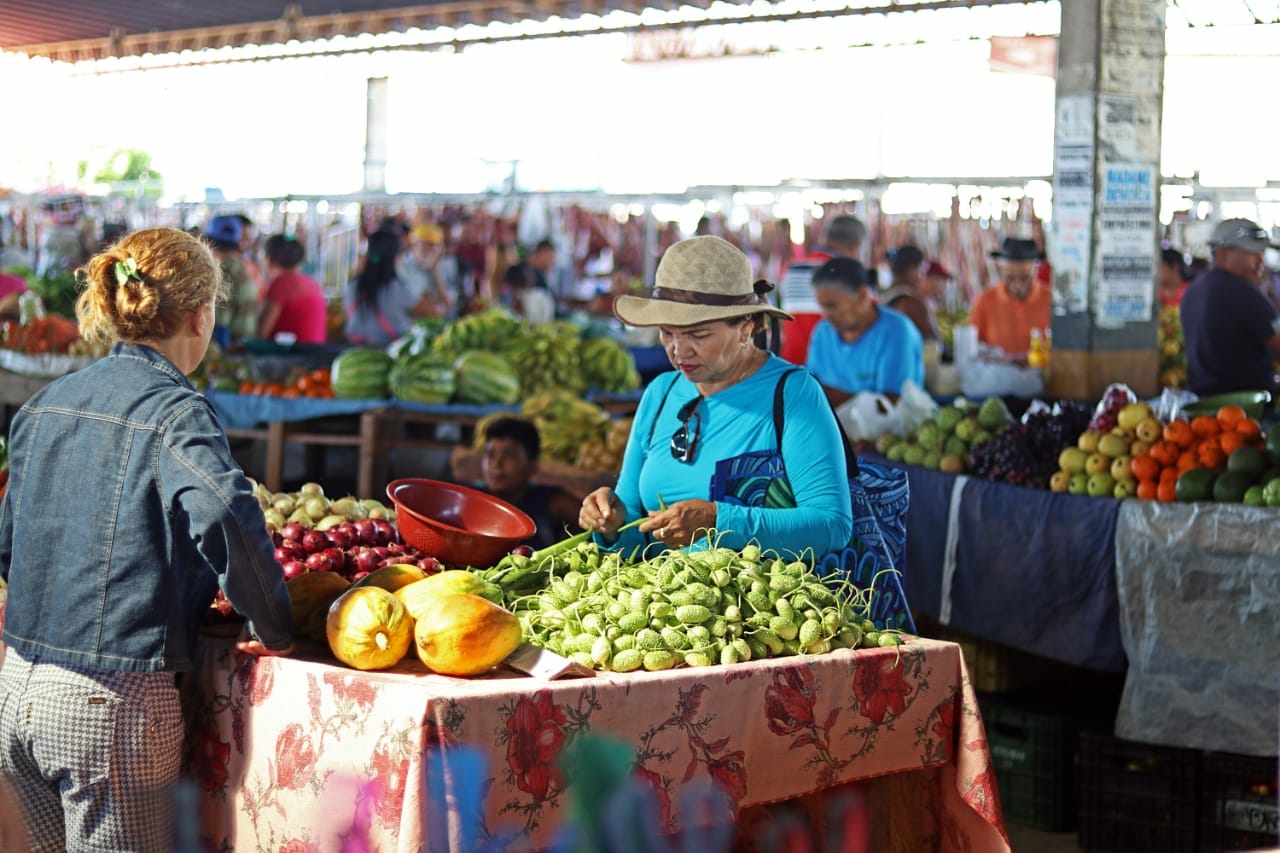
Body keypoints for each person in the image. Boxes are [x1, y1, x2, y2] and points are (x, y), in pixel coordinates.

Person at [0, 227, 294, 852]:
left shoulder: (45, 404)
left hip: (17, 686)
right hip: (108, 704)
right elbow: (224, 516)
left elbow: (9, 544)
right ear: (201, 313)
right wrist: (276, 626)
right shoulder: (176, 410)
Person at [578, 235, 852, 556]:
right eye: (667, 333)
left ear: (746, 327)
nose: (679, 351)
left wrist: (719, 521)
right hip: (664, 600)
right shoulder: (660, 393)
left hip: (752, 602)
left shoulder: (793, 392)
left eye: (698, 334)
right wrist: (610, 523)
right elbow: (634, 532)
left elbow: (832, 526)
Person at [1181, 217, 1280, 397]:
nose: (1260, 262)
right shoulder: (1242, 291)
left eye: (1262, 254)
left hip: (1202, 403)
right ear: (1223, 253)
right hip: (1244, 410)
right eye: (1252, 253)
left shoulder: (1195, 288)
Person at [805, 256, 924, 403]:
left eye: (832, 306)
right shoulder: (822, 332)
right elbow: (809, 387)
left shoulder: (897, 332)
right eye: (822, 307)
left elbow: (891, 404)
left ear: (862, 296)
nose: (826, 315)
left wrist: (827, 397)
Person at [778, 213, 868, 365]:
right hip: (831, 370)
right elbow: (868, 322)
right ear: (855, 246)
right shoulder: (849, 273)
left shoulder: (792, 270)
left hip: (791, 365)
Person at [481, 417, 580, 551]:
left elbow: (593, 523)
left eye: (508, 455)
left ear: (532, 466)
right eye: (491, 455)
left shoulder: (552, 501)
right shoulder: (473, 502)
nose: (497, 464)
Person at [344, 228, 440, 346]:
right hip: (387, 356)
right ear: (396, 257)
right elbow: (435, 312)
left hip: (352, 352)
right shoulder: (398, 289)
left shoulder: (352, 286)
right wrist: (435, 272)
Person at [968, 236, 1052, 361]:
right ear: (1001, 270)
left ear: (1036, 269)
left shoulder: (1051, 300)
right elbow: (972, 347)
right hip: (998, 376)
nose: (1018, 284)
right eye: (1011, 278)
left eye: (1024, 278)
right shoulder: (985, 300)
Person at [259, 233, 328, 343]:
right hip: (315, 353)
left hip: (290, 355)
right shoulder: (312, 283)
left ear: (269, 259)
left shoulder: (280, 284)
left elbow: (261, 333)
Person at [206, 214, 258, 348]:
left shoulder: (223, 271)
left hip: (231, 348)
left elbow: (222, 321)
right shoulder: (242, 268)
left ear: (208, 242)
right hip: (244, 345)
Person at [881, 244, 943, 343]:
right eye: (922, 270)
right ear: (911, 270)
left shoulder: (884, 297)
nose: (922, 277)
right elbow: (935, 342)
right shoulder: (912, 304)